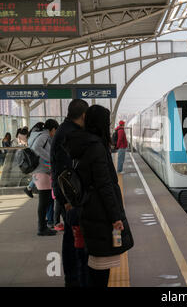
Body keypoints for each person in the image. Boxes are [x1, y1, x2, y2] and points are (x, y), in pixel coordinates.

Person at [64, 105, 134, 287]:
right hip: (100, 213)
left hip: (88, 209)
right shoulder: (96, 147)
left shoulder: (81, 144)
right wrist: (115, 217)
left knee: (92, 263)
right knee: (100, 267)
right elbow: (105, 186)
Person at [50, 99, 89, 287]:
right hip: (69, 197)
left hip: (66, 195)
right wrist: (67, 200)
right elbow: (65, 170)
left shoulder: (64, 130)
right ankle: (74, 279)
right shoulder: (69, 134)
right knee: (72, 239)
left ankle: (74, 277)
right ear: (83, 115)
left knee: (72, 236)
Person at [28, 119, 59, 236]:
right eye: (55, 131)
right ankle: (42, 228)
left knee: (44, 201)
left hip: (38, 171)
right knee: (44, 201)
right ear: (53, 129)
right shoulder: (44, 135)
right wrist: (51, 158)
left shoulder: (37, 134)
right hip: (42, 171)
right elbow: (36, 148)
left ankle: (43, 225)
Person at [24, 123, 45, 199]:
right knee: (38, 174)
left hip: (32, 158)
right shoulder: (37, 135)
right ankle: (29, 188)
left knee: (37, 174)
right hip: (36, 158)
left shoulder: (32, 134)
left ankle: (29, 188)